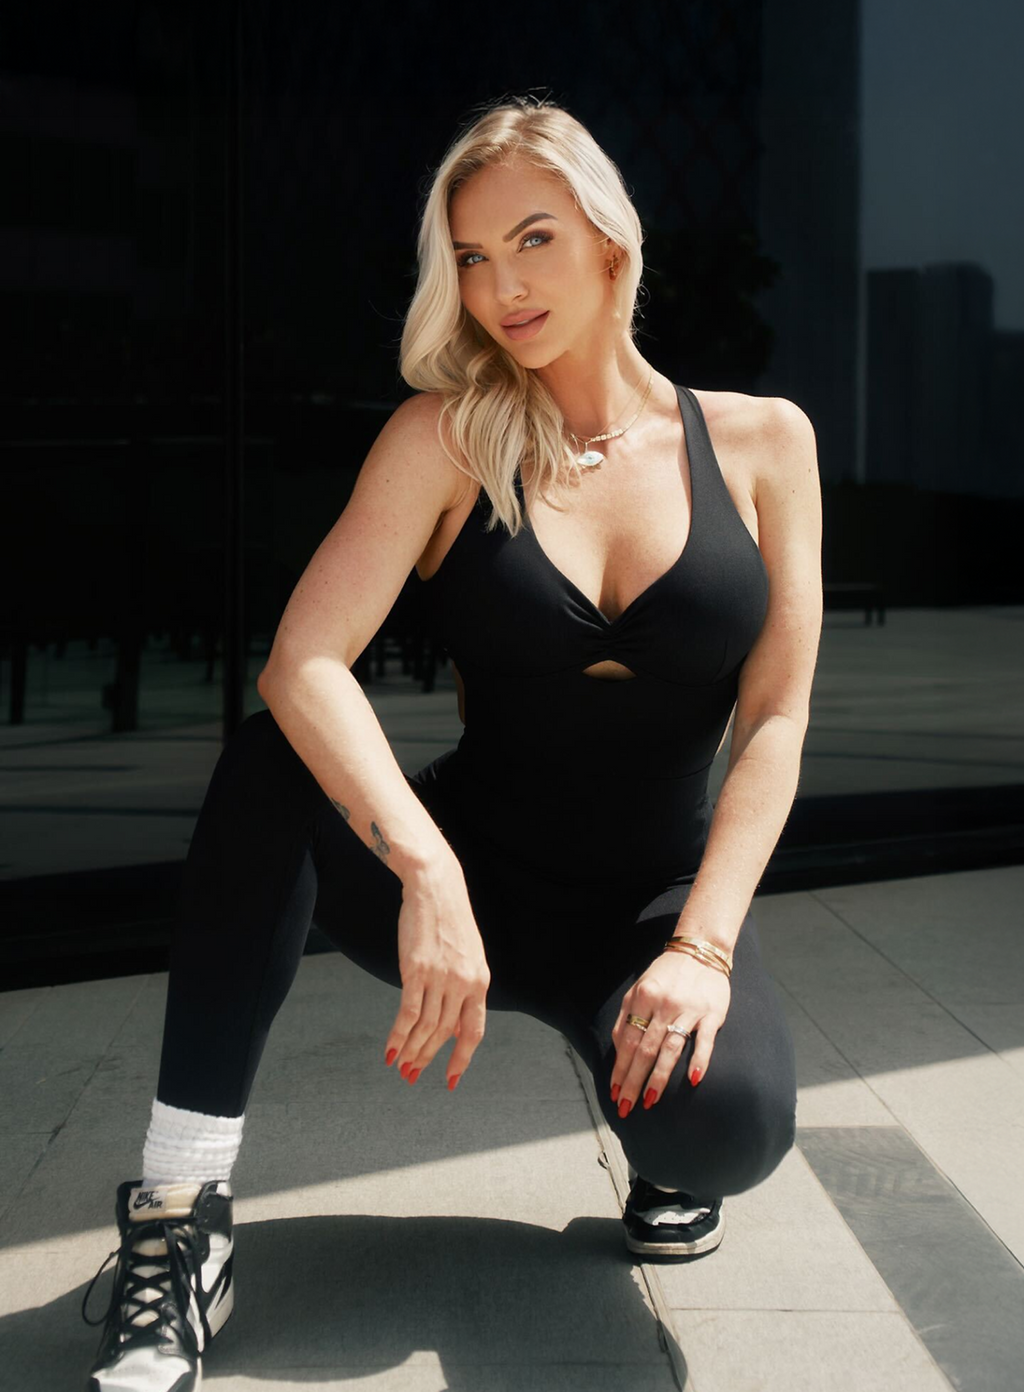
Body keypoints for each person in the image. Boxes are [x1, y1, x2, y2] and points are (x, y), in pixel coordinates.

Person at [81, 94, 822, 1391]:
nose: (500, 287)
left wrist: (701, 948)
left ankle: (650, 1104)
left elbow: (775, 717)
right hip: (464, 878)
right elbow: (303, 663)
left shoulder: (764, 443)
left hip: (647, 906)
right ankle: (178, 1213)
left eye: (531, 241)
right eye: (471, 259)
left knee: (733, 1132)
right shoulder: (445, 443)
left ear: (608, 240)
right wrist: (426, 871)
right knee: (272, 759)